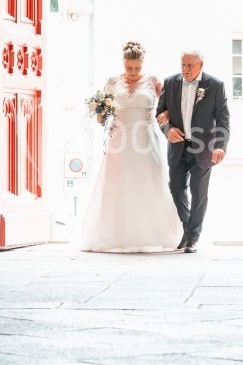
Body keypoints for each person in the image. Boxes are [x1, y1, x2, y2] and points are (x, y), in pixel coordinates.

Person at [78, 41, 185, 253]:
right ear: (123, 63)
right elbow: (102, 116)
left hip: (145, 138)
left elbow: (169, 107)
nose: (133, 72)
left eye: (137, 68)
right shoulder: (111, 82)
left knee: (150, 180)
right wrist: (100, 112)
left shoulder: (153, 81)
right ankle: (114, 235)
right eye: (129, 68)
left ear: (142, 64)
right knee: (118, 182)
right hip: (119, 138)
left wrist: (167, 115)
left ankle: (157, 234)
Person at [156, 49, 230, 253]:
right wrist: (167, 130)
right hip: (177, 147)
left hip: (203, 147)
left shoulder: (215, 85)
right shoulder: (170, 83)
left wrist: (220, 146)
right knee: (176, 188)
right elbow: (160, 113)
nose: (185, 69)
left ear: (201, 65)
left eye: (190, 65)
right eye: (182, 65)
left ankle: (192, 238)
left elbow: (223, 118)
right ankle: (189, 230)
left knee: (199, 193)